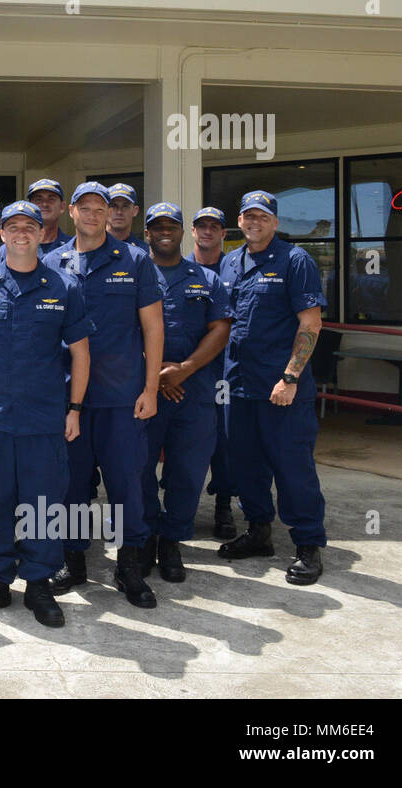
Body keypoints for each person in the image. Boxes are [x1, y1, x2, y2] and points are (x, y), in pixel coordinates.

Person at [0, 200, 93, 626]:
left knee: (44, 505)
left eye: (28, 227)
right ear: (1, 233)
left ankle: (38, 583)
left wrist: (75, 409)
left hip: (44, 418)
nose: (20, 233)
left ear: (39, 231)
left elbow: (82, 354)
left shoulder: (65, 285)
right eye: (11, 226)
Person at [43, 181, 163, 608]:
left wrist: (150, 388)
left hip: (121, 396)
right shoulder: (52, 261)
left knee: (126, 484)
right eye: (86, 207)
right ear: (71, 211)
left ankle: (129, 566)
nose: (94, 214)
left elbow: (152, 328)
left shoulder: (134, 260)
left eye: (102, 208)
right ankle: (72, 562)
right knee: (69, 485)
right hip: (66, 399)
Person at [216, 191, 328, 585]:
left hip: (282, 388)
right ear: (240, 221)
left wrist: (291, 377)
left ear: (275, 222)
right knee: (246, 464)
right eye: (248, 216)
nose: (254, 222)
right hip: (239, 386)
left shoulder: (295, 261)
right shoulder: (231, 262)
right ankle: (259, 531)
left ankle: (308, 545)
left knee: (292, 467)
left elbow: (311, 324)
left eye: (263, 217)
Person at [139, 203, 230, 582]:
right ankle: (143, 539)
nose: (164, 232)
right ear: (147, 233)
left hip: (194, 392)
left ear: (182, 232)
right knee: (138, 469)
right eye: (156, 226)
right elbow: (117, 329)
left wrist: (184, 370)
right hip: (144, 391)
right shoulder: (132, 275)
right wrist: (158, 374)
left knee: (187, 472)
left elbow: (221, 329)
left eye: (171, 226)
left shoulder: (207, 279)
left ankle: (171, 541)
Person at [191, 205, 237, 539]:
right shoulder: (179, 268)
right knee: (185, 443)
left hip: (227, 369)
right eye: (201, 226)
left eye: (214, 226)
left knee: (225, 441)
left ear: (223, 233)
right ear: (193, 231)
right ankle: (177, 510)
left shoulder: (236, 268)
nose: (207, 231)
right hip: (188, 369)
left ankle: (224, 506)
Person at [0, 179, 71, 262]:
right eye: (38, 200)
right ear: (29, 206)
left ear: (62, 206)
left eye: (51, 199)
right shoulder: (7, 250)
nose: (44, 204)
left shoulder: (73, 248)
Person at [107, 183, 149, 253]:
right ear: (105, 210)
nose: (119, 212)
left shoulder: (144, 252)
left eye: (125, 206)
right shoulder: (91, 247)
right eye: (114, 206)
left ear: (135, 211)